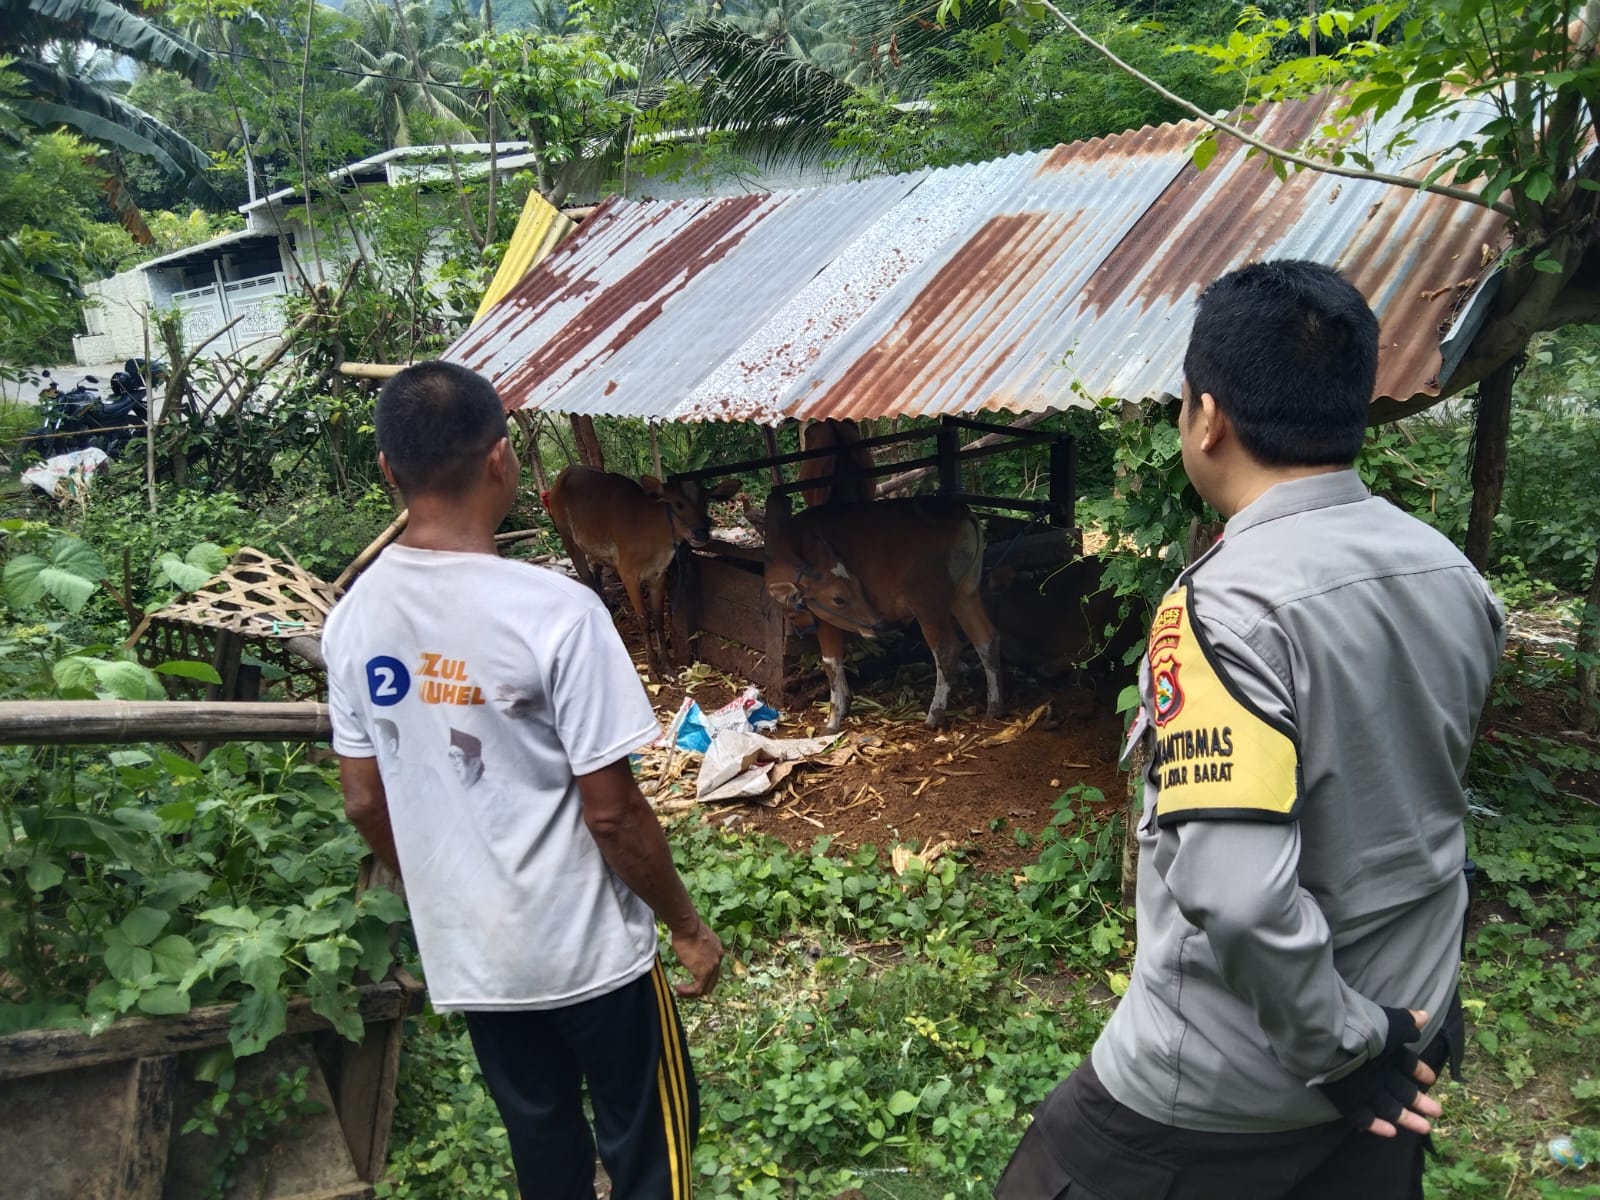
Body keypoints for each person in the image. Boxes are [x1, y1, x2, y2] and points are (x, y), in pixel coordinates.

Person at [996, 260, 1506, 1200]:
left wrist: (1345, 1047)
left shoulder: (1224, 610)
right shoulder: (1452, 574)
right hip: (1413, 1025)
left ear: (1206, 415)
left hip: (1245, 1078)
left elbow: (1237, 897)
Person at [323, 360, 724, 1200]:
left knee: (543, 1151)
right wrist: (685, 924)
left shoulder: (353, 619)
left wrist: (435, 885)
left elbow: (363, 797)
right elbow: (613, 816)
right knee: (652, 1156)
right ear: (502, 461)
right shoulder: (558, 613)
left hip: (477, 956)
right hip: (593, 957)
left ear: (390, 472)